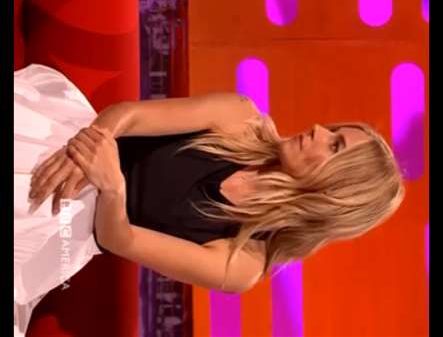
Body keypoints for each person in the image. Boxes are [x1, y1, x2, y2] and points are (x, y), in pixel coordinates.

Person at [15, 63, 404, 336]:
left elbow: (119, 239)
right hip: (76, 142)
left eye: (334, 145)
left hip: (72, 226)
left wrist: (113, 186)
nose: (318, 129)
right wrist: (86, 149)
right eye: (333, 130)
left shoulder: (243, 262)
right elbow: (128, 116)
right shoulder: (240, 117)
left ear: (335, 192)